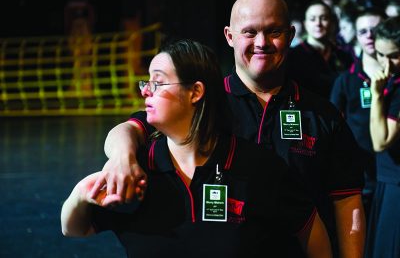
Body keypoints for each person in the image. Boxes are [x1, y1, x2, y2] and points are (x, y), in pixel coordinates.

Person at [94, 0, 365, 257]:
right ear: (229, 36)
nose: (262, 43)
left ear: (291, 36)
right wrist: (121, 158)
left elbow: (347, 200)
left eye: (274, 32)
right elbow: (130, 129)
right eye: (250, 32)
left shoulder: (323, 114)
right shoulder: (200, 104)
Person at [61, 39, 332, 257]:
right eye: (147, 82)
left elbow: (310, 231)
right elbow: (74, 228)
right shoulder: (138, 168)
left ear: (195, 92)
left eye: (158, 82)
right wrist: (81, 194)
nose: (146, 91)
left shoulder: (256, 165)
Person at [330, 8, 384, 218]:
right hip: (362, 172)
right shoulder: (345, 80)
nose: (369, 36)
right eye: (362, 31)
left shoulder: (394, 77)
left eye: (375, 30)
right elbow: (333, 126)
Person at [365, 16, 400, 258]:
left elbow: (381, 141)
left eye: (394, 55)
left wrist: (376, 94)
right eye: (380, 54)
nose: (386, 64)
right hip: (386, 180)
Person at [286, 0, 353, 98]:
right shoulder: (293, 56)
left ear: (331, 23)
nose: (318, 23)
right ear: (305, 24)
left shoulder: (342, 56)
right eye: (312, 19)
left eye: (324, 18)